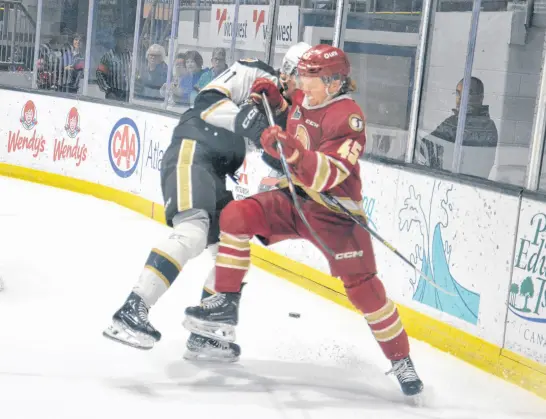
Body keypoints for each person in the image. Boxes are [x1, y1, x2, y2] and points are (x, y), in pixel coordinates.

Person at [182, 44, 424, 397]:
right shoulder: (304, 97)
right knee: (236, 215)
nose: (300, 82)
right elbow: (292, 115)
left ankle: (401, 361)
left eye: (309, 77)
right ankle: (227, 305)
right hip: (293, 200)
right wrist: (276, 105)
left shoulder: (349, 117)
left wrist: (290, 149)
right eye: (301, 75)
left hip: (335, 213)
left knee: (366, 293)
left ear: (334, 81)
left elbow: (327, 175)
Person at [103, 43, 312, 360]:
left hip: (216, 171)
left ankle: (205, 332)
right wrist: (248, 122)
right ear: (290, 70)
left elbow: (274, 155)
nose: (312, 86)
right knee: (193, 231)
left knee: (232, 251)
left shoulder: (290, 115)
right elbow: (207, 101)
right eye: (308, 76)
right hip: (193, 149)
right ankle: (132, 309)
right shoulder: (256, 72)